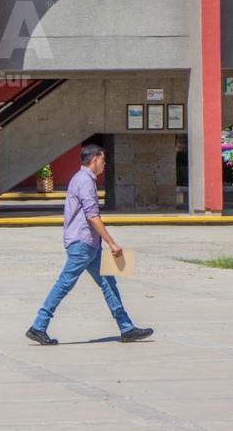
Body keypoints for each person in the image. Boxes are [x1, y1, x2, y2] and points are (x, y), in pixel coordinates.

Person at [26, 144, 153, 345]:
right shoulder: (85, 181)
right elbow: (92, 216)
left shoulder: (82, 179)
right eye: (103, 159)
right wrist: (112, 243)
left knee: (109, 283)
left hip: (90, 245)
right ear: (94, 159)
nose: (104, 163)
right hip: (82, 244)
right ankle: (39, 326)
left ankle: (126, 327)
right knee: (64, 284)